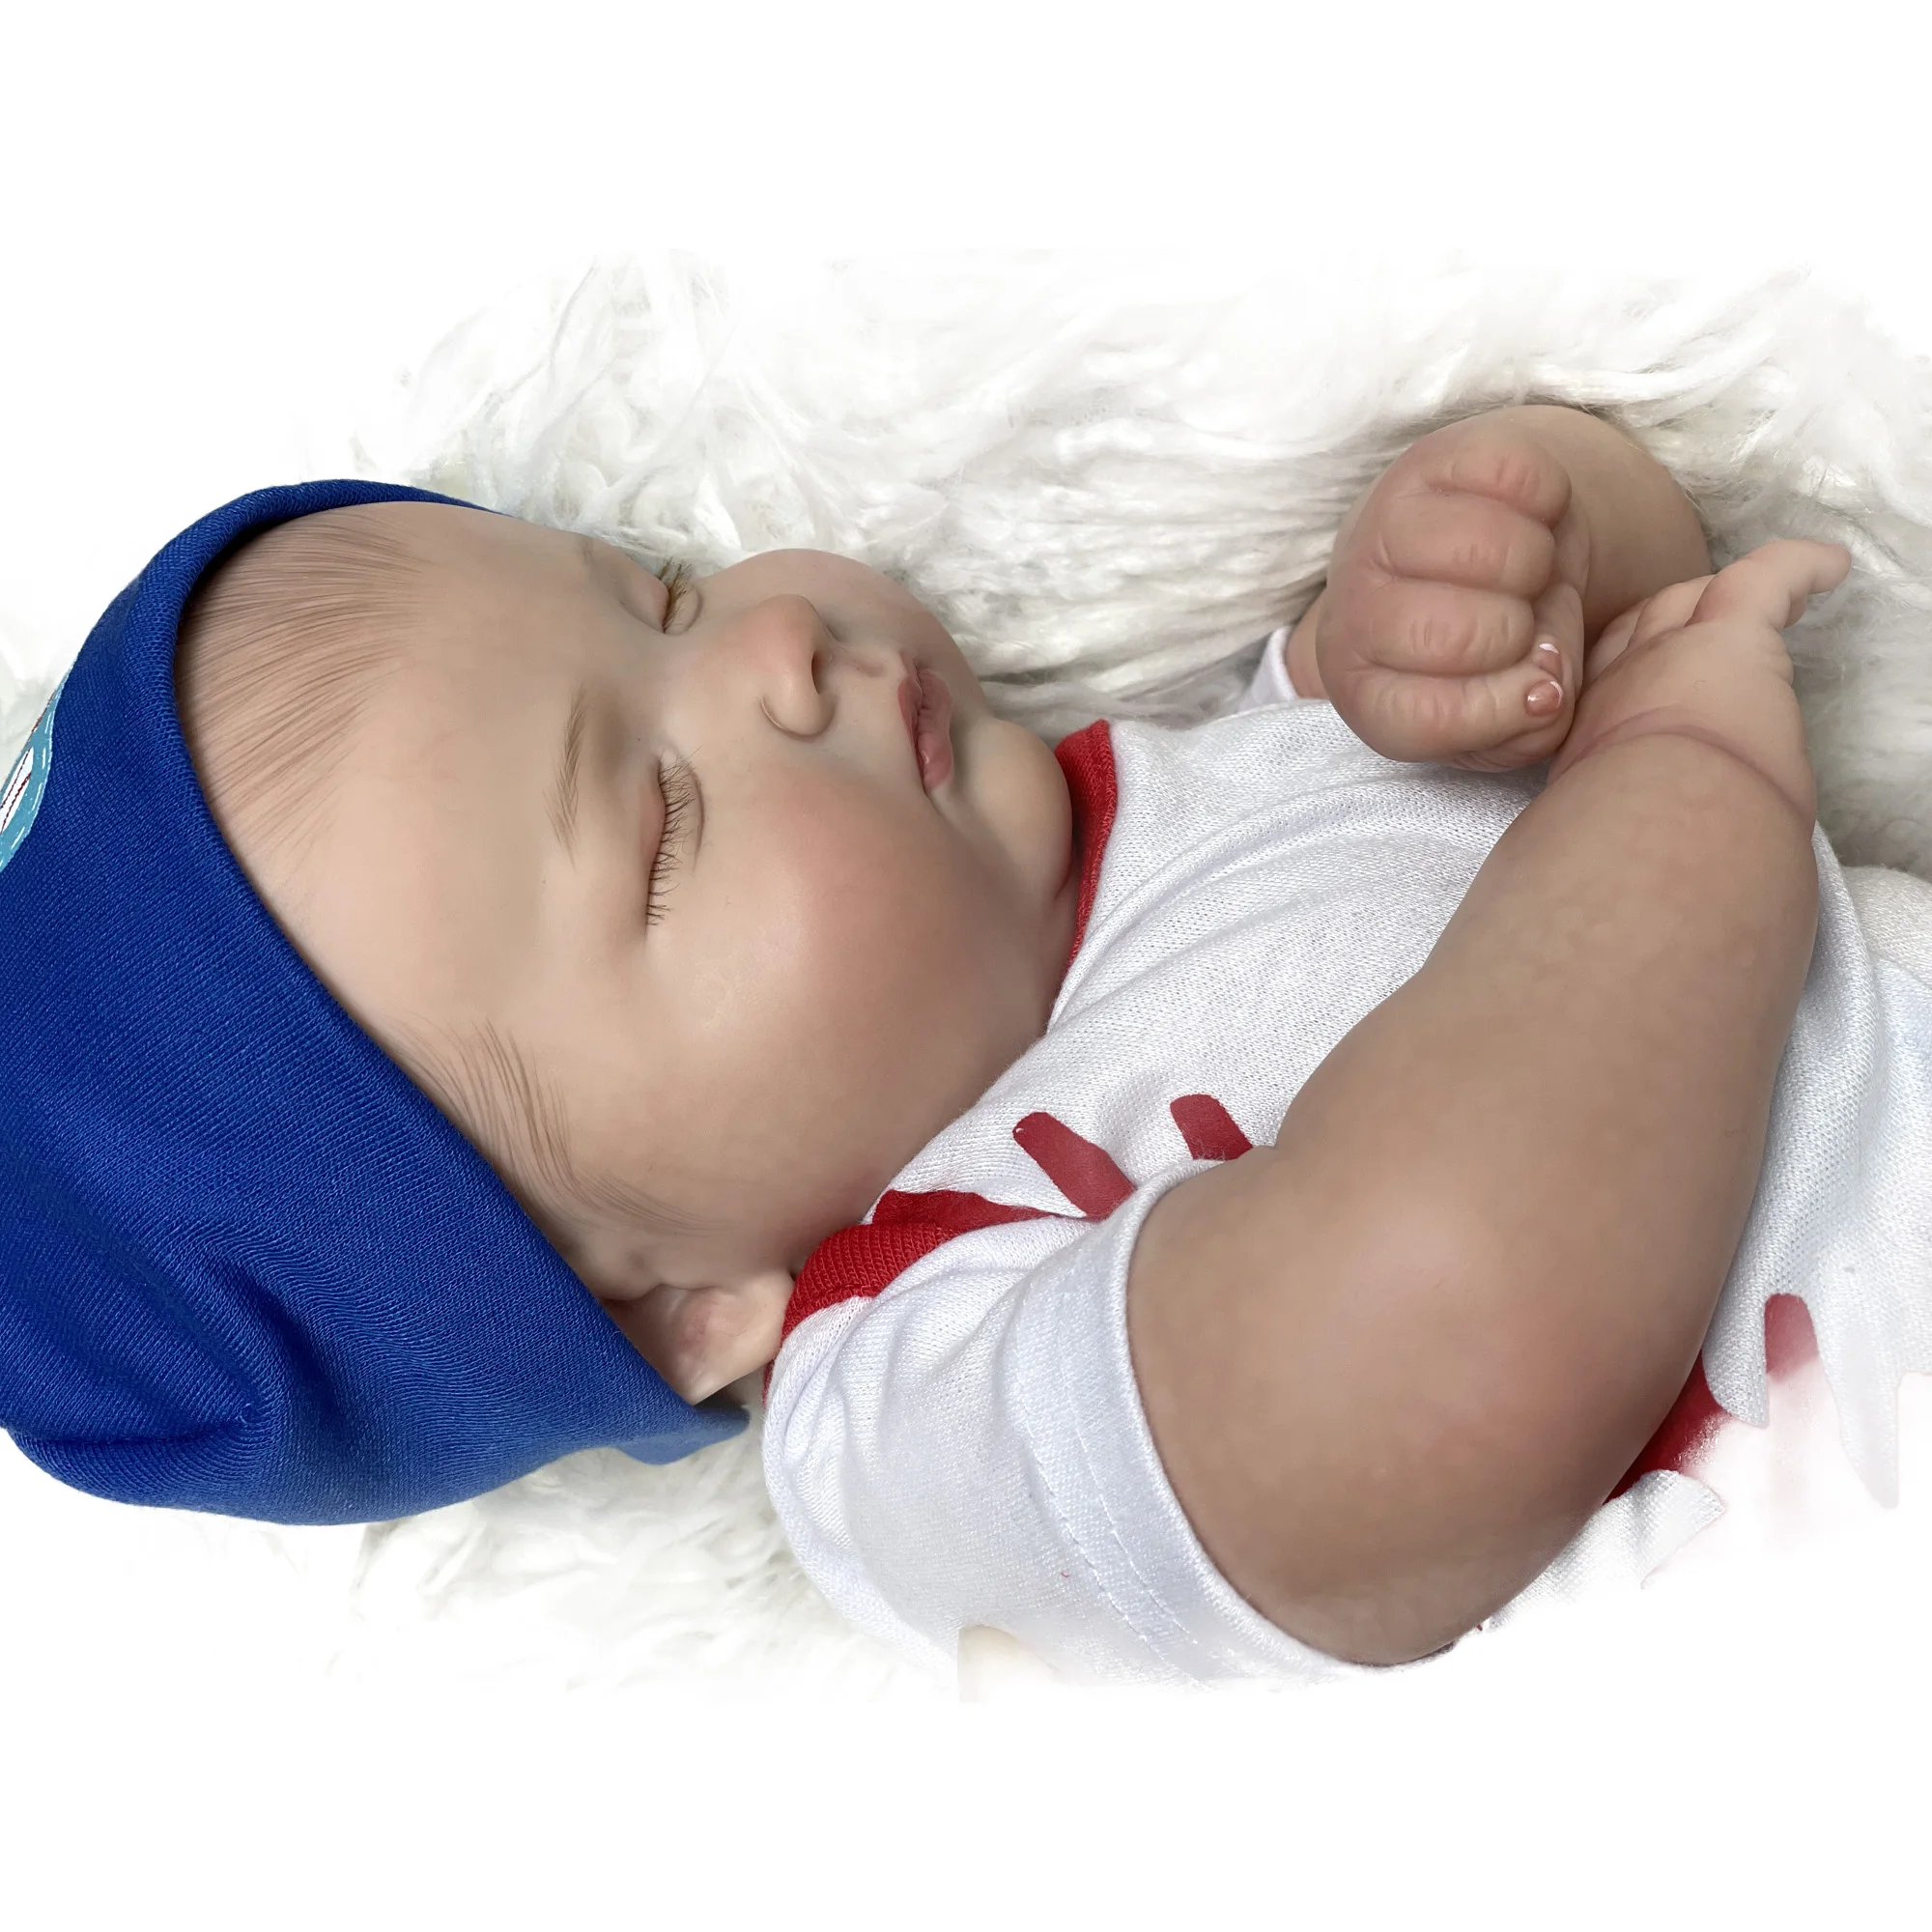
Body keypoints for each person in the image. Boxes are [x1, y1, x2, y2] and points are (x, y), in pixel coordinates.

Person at [4, 403, 1917, 1685]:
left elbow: (1651, 603)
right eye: (661, 818)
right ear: (677, 1312)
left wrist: (1519, 557)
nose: (769, 650)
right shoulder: (919, 1399)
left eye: (657, 598)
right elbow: (1439, 1352)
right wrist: (1681, 779)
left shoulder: (1235, 756)